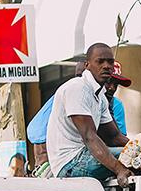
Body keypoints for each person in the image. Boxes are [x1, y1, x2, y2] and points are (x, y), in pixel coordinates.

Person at [47, 43, 131, 181]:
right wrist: (119, 169)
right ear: (87, 65)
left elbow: (114, 137)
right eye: (100, 61)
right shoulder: (77, 88)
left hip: (83, 156)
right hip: (70, 163)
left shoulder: (100, 96)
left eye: (110, 62)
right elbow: (89, 137)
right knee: (133, 158)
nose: (106, 66)